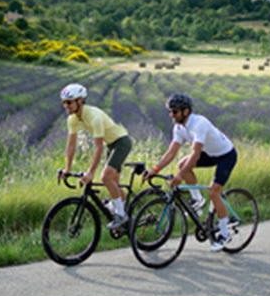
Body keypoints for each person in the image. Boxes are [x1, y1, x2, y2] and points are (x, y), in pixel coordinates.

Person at [143, 93, 238, 252]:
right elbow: (171, 153)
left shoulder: (199, 123)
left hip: (225, 156)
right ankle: (198, 200)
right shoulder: (179, 127)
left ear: (186, 111)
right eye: (170, 111)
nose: (171, 115)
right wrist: (155, 169)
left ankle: (224, 233)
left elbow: (195, 154)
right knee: (182, 164)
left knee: (214, 192)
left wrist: (180, 176)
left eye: (175, 111)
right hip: (210, 154)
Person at [59, 83, 133, 230]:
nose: (66, 106)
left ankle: (121, 215)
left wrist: (91, 172)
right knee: (114, 185)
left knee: (105, 177)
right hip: (110, 144)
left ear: (80, 101)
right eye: (63, 102)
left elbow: (98, 146)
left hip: (121, 142)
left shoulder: (94, 116)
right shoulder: (72, 118)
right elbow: (71, 145)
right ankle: (127, 220)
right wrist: (67, 168)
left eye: (69, 102)